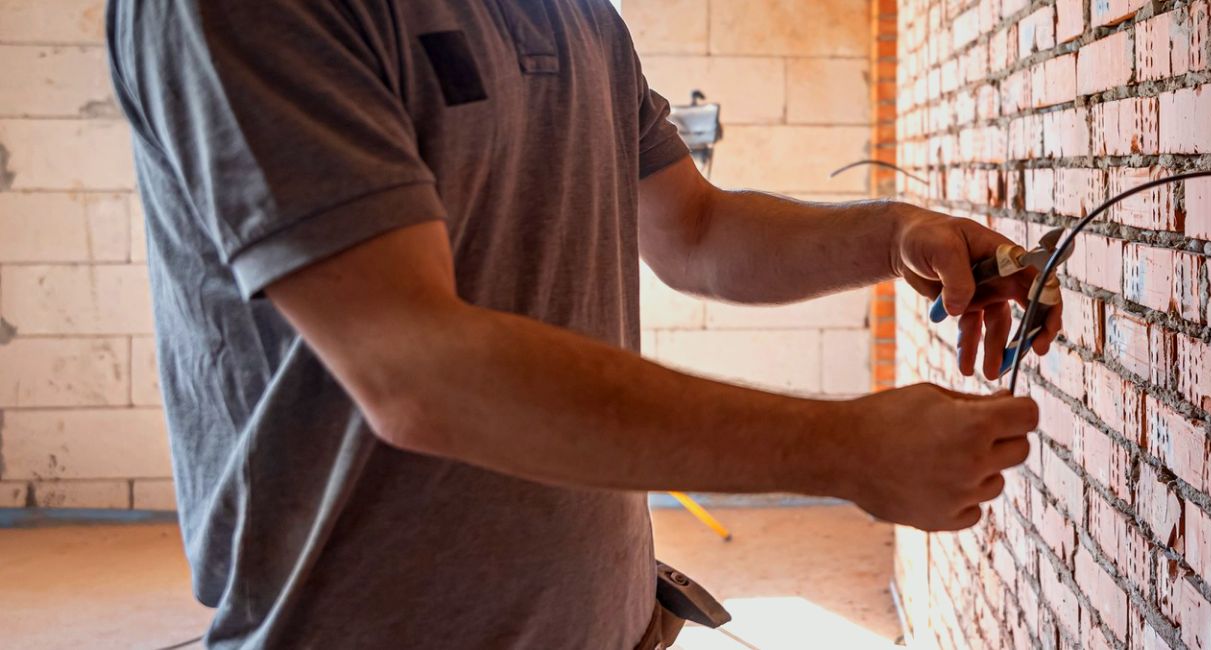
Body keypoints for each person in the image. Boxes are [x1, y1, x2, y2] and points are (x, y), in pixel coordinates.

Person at [105, 0, 1059, 647]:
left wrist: (896, 235)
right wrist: (842, 449)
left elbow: (696, 229)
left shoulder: (574, 16)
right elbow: (415, 367)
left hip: (608, 624)